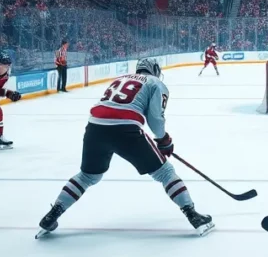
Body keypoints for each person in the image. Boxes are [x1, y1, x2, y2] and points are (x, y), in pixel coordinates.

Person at [36, 58, 213, 238]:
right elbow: (156, 119)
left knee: (88, 176)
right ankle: (193, 215)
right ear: (155, 70)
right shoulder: (155, 83)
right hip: (125, 128)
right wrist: (164, 140)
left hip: (94, 127)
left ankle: (52, 214)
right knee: (165, 172)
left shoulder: (121, 78)